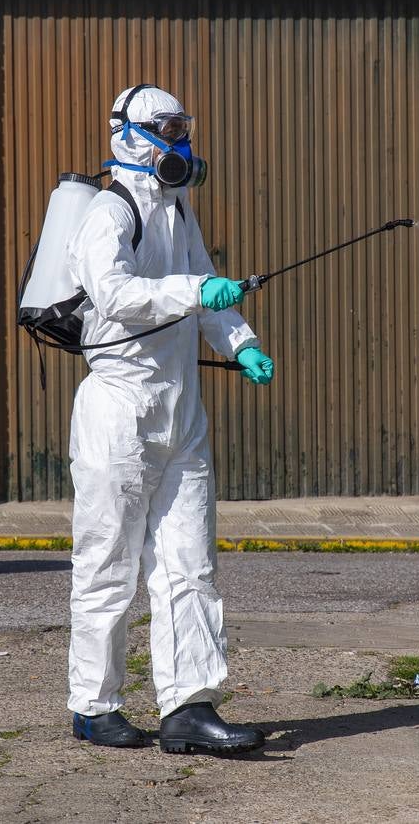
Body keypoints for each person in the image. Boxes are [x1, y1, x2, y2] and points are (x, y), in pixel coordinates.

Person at [64, 84, 275, 754]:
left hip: (180, 410)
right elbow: (117, 296)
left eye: (183, 128)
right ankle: (94, 706)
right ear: (128, 135)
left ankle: (188, 708)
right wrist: (194, 292)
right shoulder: (109, 212)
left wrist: (240, 343)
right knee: (109, 564)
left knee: (189, 564)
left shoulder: (178, 210)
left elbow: (206, 283)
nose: (179, 143)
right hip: (119, 410)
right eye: (167, 129)